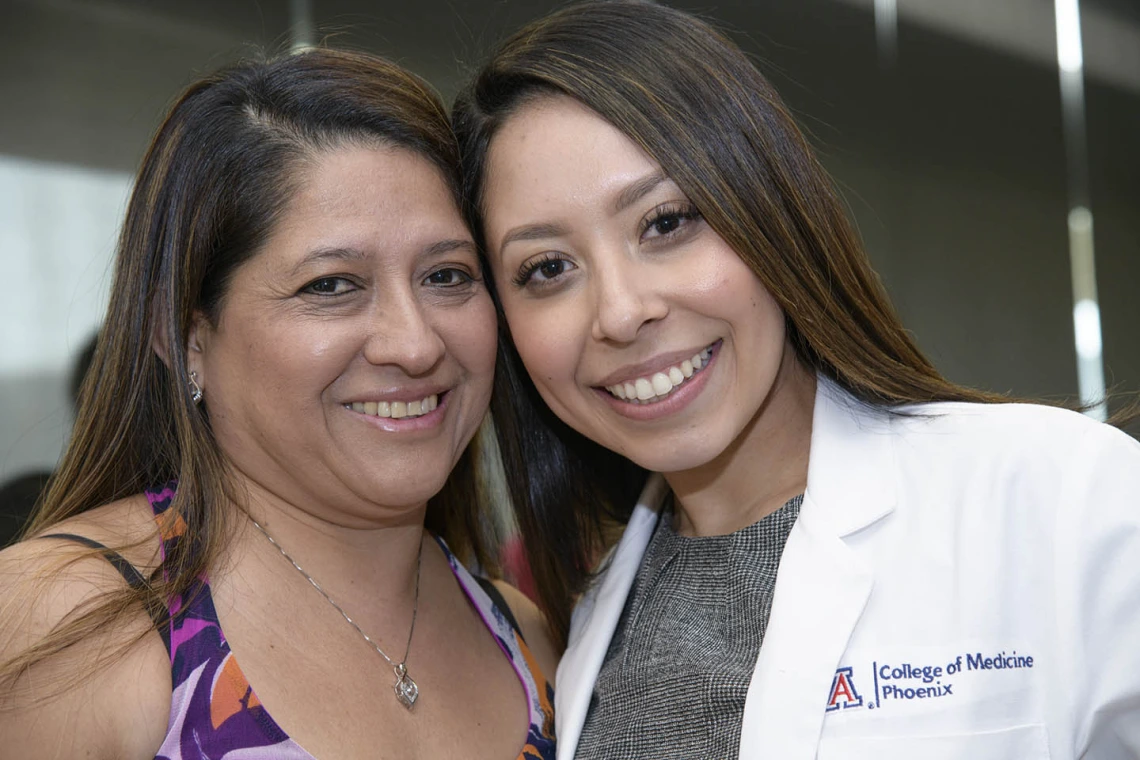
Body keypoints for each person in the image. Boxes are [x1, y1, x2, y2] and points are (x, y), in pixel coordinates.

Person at [451, 2, 1140, 758]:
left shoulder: (1063, 500)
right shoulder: (588, 629)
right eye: (548, 269)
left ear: (766, 206)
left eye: (667, 221)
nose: (620, 312)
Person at [0, 48, 557, 759]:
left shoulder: (523, 637)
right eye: (330, 285)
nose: (415, 344)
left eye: (447, 274)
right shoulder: (71, 624)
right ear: (188, 339)